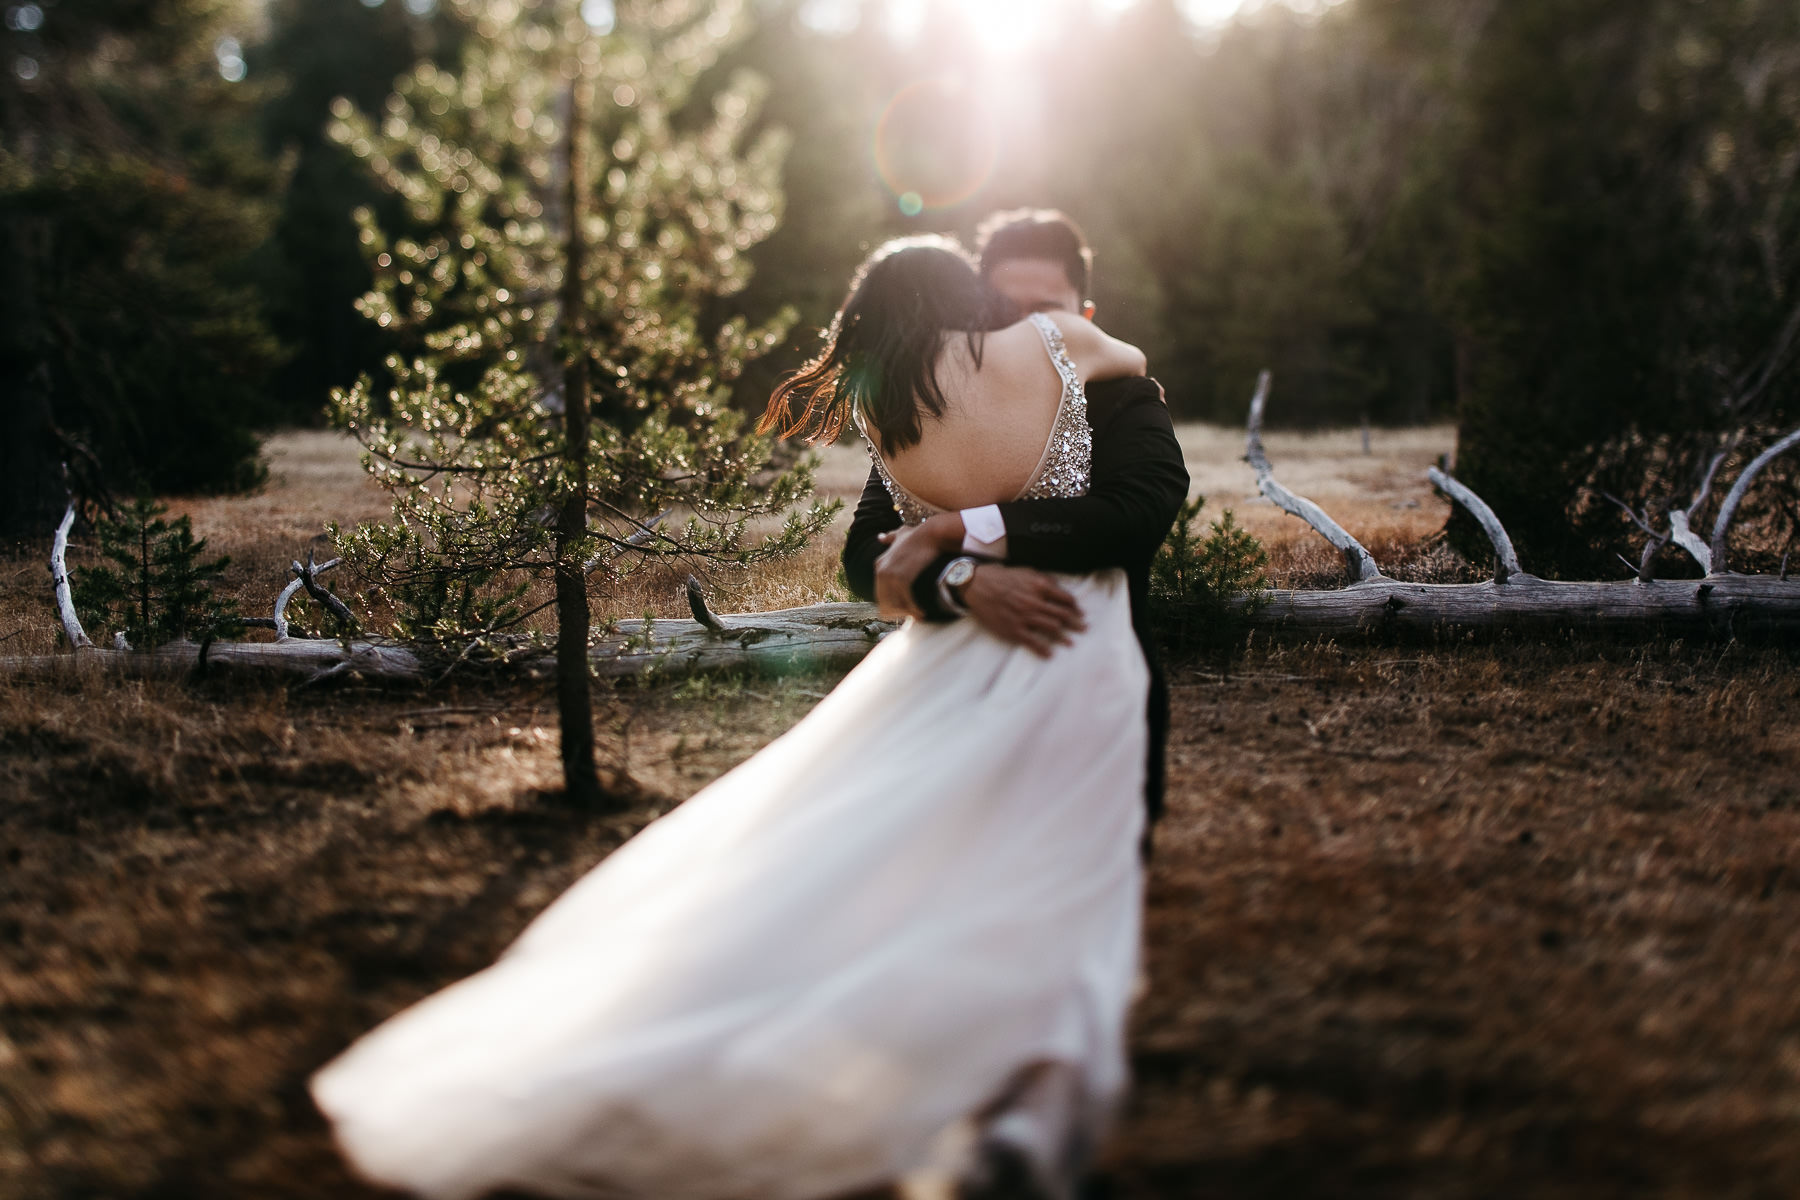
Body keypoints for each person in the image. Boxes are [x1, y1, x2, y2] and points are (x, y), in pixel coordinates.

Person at [311, 236, 1153, 1200]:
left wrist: (953, 538)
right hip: (1075, 645)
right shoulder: (1054, 344)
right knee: (1067, 879)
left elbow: (887, 572)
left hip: (942, 662)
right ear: (969, 292)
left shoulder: (885, 411)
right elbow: (1130, 363)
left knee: (916, 869)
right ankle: (1025, 1112)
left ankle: (983, 1099)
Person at [841, 210, 1188, 846]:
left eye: (1044, 310)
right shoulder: (927, 406)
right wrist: (962, 581)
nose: (1027, 324)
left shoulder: (1125, 396)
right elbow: (866, 553)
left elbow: (1136, 515)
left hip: (1088, 695)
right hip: (943, 698)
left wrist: (953, 531)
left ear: (1082, 315)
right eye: (1005, 306)